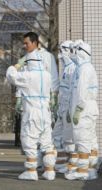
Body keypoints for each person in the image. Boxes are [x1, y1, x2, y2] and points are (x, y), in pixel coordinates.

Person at [6, 49, 56, 181]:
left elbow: (11, 76)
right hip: (45, 113)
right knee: (47, 142)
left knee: (29, 140)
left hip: (32, 113)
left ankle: (31, 171)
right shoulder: (47, 75)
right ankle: (50, 171)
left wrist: (17, 65)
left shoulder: (27, 75)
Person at [65, 40, 99, 180]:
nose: (74, 53)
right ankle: (90, 169)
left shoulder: (85, 69)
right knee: (88, 139)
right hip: (85, 108)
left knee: (82, 139)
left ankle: (83, 171)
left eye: (77, 50)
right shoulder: (82, 68)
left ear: (83, 53)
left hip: (83, 109)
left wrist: (78, 109)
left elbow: (82, 92)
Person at [52, 41, 76, 173]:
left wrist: (70, 109)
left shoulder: (73, 68)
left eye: (62, 51)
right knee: (56, 136)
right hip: (62, 109)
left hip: (68, 109)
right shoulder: (66, 69)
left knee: (69, 139)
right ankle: (61, 164)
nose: (60, 55)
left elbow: (73, 92)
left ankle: (72, 166)